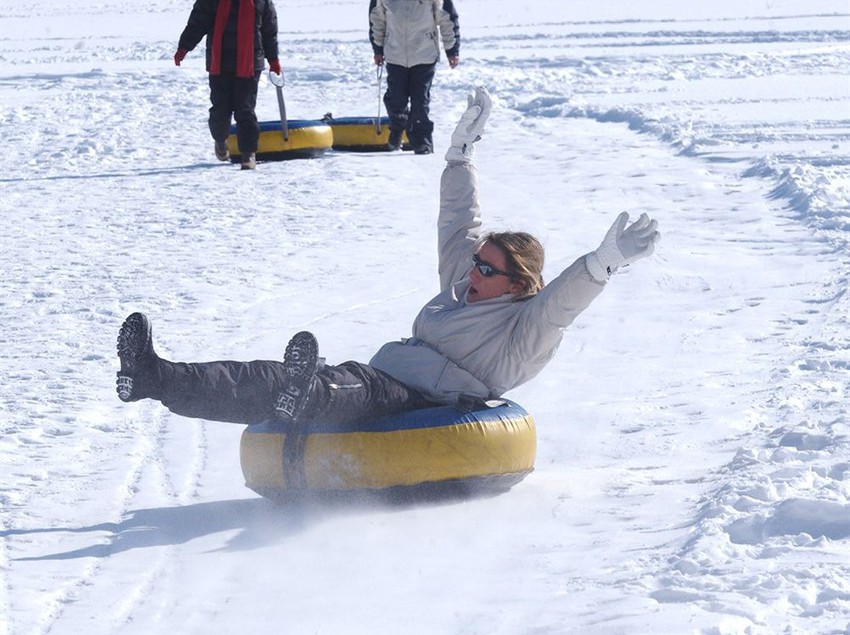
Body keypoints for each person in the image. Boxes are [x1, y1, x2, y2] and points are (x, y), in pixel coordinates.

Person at [115, 87, 661, 429]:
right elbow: (459, 224)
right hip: (378, 378)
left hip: (417, 403)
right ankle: (156, 376)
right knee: (269, 379)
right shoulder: (460, 287)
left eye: (488, 269)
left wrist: (604, 260)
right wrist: (459, 156)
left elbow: (562, 305)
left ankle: (308, 392)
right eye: (478, 263)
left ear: (519, 284)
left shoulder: (525, 329)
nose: (474, 272)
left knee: (337, 387)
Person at [174, 0, 280, 170]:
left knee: (245, 110)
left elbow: (269, 30)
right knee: (220, 109)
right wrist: (184, 47)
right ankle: (221, 139)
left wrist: (273, 59)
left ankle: (248, 154)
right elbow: (197, 22)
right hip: (219, 62)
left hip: (250, 62)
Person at [369, 0, 460, 155]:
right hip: (395, 55)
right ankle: (398, 129)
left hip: (424, 55)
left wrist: (452, 50)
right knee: (396, 100)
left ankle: (422, 141)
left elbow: (447, 18)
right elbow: (376, 19)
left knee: (420, 102)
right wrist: (378, 48)